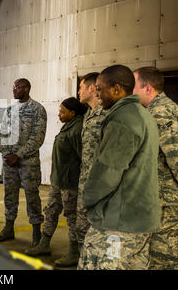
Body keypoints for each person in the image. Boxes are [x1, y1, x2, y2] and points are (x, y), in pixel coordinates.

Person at [78, 64, 161, 270]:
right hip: (141, 220)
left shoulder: (122, 119)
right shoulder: (143, 114)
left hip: (118, 222)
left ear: (116, 89)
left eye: (100, 89)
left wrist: (88, 199)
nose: (98, 95)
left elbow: (108, 172)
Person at [133, 66, 178, 270]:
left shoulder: (161, 111)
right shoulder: (154, 110)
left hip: (167, 201)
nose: (132, 92)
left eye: (134, 87)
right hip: (159, 200)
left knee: (163, 261)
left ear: (148, 88)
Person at [26, 97, 86, 268]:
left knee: (71, 217)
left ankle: (74, 252)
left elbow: (83, 158)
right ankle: (44, 244)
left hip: (70, 184)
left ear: (72, 113)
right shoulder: (68, 126)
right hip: (57, 181)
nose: (59, 114)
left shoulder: (78, 129)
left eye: (62, 111)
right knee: (51, 211)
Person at [0, 78, 47, 246]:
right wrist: (6, 153)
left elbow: (38, 137)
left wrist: (19, 155)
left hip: (28, 163)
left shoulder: (38, 109)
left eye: (17, 87)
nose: (14, 90)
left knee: (32, 196)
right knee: (9, 195)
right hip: (9, 162)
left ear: (27, 88)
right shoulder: (10, 110)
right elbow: (2, 134)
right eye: (13, 87)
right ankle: (9, 228)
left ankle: (36, 233)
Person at [75, 72, 107, 250]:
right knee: (81, 227)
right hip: (84, 181)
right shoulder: (88, 114)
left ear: (92, 88)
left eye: (81, 87)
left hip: (99, 184)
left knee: (98, 232)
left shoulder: (106, 113)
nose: (79, 91)